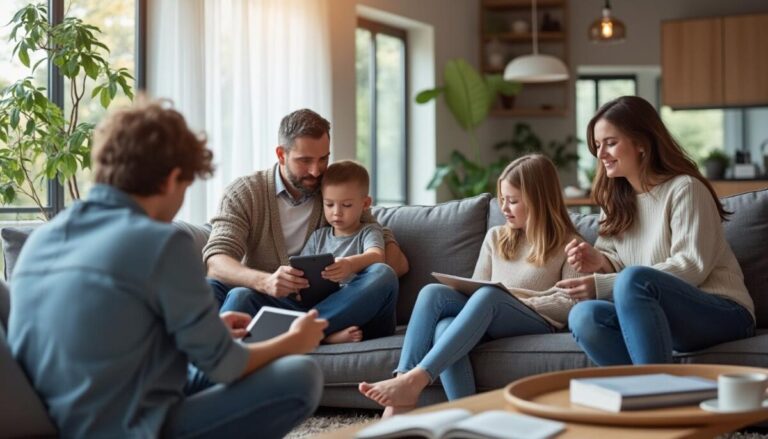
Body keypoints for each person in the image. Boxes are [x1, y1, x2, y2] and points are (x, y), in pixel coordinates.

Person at [8, 99, 328, 438]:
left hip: (66, 421)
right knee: (301, 375)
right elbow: (226, 367)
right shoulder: (159, 242)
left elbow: (95, 343)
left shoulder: (42, 239)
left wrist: (203, 332)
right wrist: (292, 341)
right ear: (172, 179)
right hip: (130, 428)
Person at [359, 155, 581, 417]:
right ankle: (456, 413)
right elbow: (477, 286)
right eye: (503, 200)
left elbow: (571, 302)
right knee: (437, 306)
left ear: (538, 200)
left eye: (513, 201)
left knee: (490, 296)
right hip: (489, 313)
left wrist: (515, 300)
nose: (505, 209)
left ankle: (413, 382)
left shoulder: (569, 243)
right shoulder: (496, 236)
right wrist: (486, 296)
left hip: (534, 320)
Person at [558, 95, 755, 366]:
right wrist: (600, 261)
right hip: (658, 317)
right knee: (584, 316)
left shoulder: (684, 189)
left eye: (611, 143)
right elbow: (619, 266)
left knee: (632, 279)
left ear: (641, 143)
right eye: (597, 145)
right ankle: (644, 393)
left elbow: (691, 266)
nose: (600, 154)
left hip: (722, 311)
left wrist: (604, 284)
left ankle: (654, 389)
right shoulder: (614, 202)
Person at [205, 108, 407, 342]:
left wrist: (348, 267)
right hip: (277, 299)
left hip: (332, 303)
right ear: (281, 155)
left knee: (381, 275)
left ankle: (300, 334)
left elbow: (397, 263)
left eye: (323, 159)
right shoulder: (245, 193)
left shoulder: (333, 191)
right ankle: (314, 333)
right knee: (234, 294)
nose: (316, 171)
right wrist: (266, 281)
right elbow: (216, 262)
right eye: (305, 161)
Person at [221, 160, 395, 344]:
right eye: (329, 205)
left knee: (383, 273)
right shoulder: (318, 236)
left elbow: (377, 256)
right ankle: (318, 333)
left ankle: (306, 333)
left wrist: (350, 264)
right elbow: (299, 272)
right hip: (314, 309)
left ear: (365, 203)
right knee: (240, 295)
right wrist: (294, 285)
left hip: (361, 318)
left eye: (347, 205)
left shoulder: (368, 231)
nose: (337, 213)